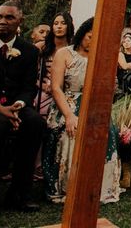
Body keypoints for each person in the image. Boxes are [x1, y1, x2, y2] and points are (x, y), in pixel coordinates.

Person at [0, 2, 46, 221]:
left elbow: (28, 87)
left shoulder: (29, 50)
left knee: (35, 123)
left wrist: (19, 106)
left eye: (8, 17)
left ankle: (19, 193)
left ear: (20, 22)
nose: (1, 21)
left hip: (16, 106)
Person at [43, 17, 121, 203]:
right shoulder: (64, 54)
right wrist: (69, 115)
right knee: (73, 131)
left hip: (93, 105)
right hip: (66, 103)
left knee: (107, 130)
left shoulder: (102, 57)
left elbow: (108, 90)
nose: (92, 42)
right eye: (89, 37)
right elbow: (56, 88)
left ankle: (99, 187)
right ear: (81, 35)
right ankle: (70, 186)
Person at [36, 12, 75, 119]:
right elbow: (29, 74)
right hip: (42, 93)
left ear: (69, 25)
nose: (59, 26)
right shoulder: (41, 47)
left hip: (66, 94)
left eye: (63, 23)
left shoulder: (74, 49)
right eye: (56, 23)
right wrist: (42, 86)